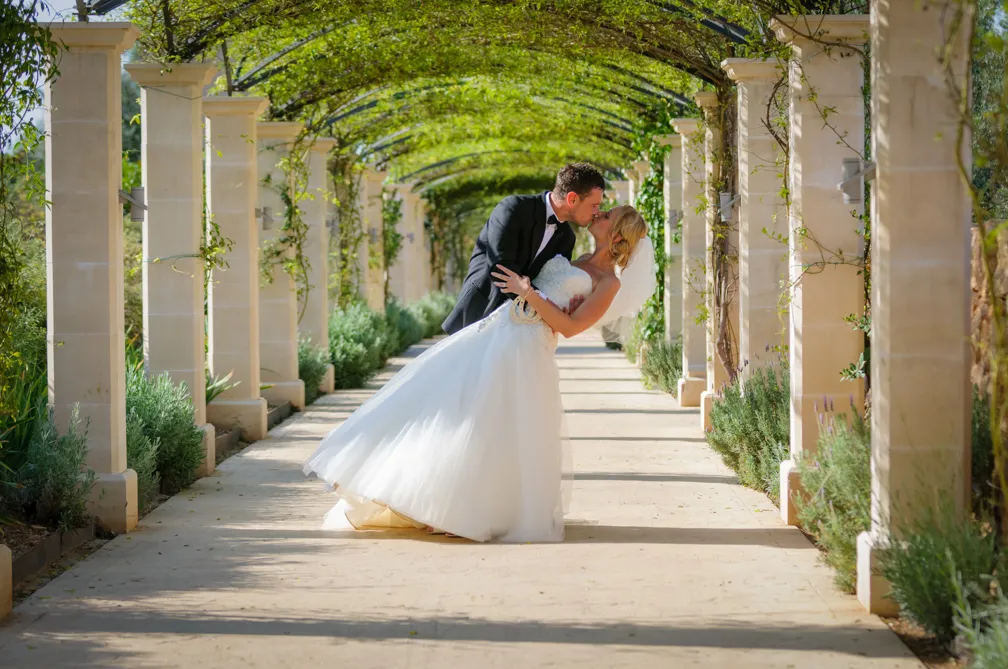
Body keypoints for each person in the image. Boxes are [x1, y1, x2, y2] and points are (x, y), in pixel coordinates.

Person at [303, 204, 655, 543]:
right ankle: (426, 499)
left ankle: (469, 512)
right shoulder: (574, 256)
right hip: (499, 329)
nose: (599, 213)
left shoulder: (609, 283)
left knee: (495, 426)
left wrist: (528, 293)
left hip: (529, 348)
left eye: (607, 215)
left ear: (617, 233)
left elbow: (572, 327)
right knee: (455, 405)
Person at [441, 163, 605, 335]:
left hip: (523, 329)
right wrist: (545, 306)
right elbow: (501, 269)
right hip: (479, 315)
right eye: (594, 205)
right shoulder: (513, 208)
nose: (597, 212)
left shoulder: (567, 238)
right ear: (572, 199)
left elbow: (551, 282)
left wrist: (563, 304)